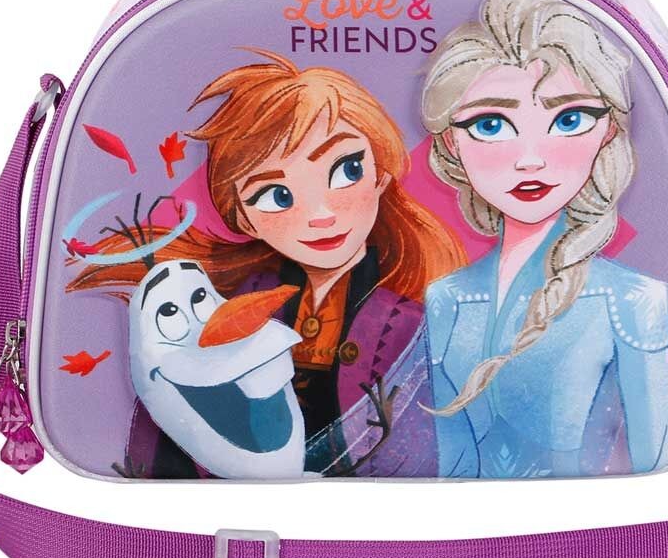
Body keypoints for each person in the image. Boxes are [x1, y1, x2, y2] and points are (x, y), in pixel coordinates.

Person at [68, 49, 465, 477]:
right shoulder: (228, 303)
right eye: (277, 196)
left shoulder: (406, 323)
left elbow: (424, 445)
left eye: (346, 170)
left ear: (381, 173)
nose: (320, 215)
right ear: (243, 217)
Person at [418, 0, 668, 478]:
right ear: (452, 142)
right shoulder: (447, 299)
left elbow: (664, 461)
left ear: (608, 129)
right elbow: (450, 468)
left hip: (596, 526)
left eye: (569, 119)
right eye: (491, 125)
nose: (530, 159)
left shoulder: (630, 300)